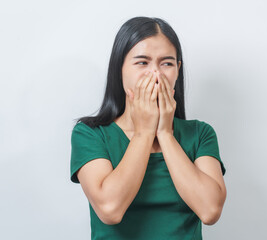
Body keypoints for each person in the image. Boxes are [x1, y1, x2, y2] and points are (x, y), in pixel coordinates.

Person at [70, 16, 227, 240]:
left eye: (167, 63)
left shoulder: (200, 134)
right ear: (119, 68)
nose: (156, 75)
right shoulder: (91, 134)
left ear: (177, 70)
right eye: (142, 62)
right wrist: (144, 133)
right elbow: (110, 210)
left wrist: (164, 133)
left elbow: (210, 211)